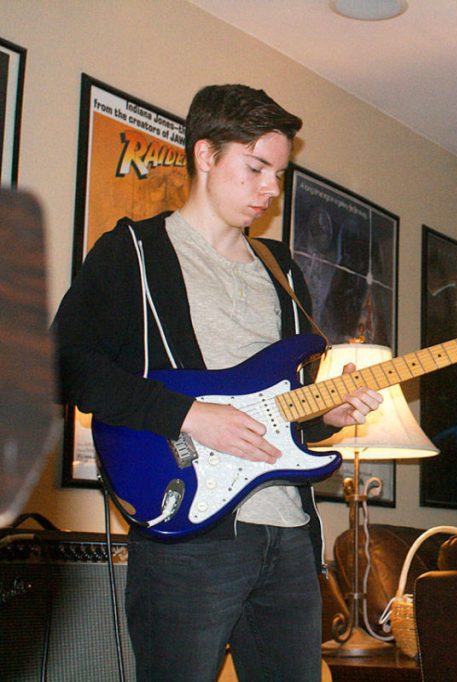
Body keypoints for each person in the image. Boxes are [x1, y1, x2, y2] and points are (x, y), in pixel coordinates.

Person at [54, 84, 382, 681]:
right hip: (187, 531)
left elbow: (280, 412)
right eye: (256, 168)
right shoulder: (133, 253)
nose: (270, 189)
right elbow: (67, 364)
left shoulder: (283, 271)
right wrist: (190, 415)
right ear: (205, 154)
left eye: (278, 174)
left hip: (289, 533)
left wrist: (325, 416)